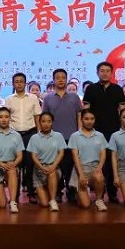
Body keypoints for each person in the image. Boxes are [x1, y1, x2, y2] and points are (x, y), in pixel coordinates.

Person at [82, 61, 125, 203]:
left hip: (114, 131)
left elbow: (122, 110)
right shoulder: (91, 89)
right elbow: (86, 110)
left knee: (112, 162)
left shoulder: (117, 89)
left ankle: (112, 192)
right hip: (95, 132)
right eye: (102, 70)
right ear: (97, 73)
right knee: (97, 161)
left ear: (111, 73)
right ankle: (99, 191)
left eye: (107, 71)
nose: (105, 73)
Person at [41, 68, 83, 204]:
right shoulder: (48, 98)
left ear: (66, 79)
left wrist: (79, 132)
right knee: (56, 166)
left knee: (70, 166)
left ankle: (71, 191)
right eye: (57, 77)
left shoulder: (74, 97)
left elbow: (79, 116)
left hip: (72, 137)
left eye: (63, 77)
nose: (60, 80)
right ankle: (57, 192)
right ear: (53, 80)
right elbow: (45, 118)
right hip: (54, 138)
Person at [5, 72, 42, 202]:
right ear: (13, 84)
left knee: (30, 164)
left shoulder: (33, 98)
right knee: (15, 165)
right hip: (14, 135)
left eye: (21, 81)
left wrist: (39, 134)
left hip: (30, 134)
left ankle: (31, 192)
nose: (19, 84)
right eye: (16, 81)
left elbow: (37, 116)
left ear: (25, 83)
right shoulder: (9, 99)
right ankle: (14, 194)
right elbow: (7, 118)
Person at [0, 107, 25, 213]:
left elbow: (20, 155)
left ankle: (13, 202)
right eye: (1, 117)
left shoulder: (16, 135)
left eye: (6, 117)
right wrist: (2, 165)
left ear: (10, 118)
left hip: (10, 166)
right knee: (2, 204)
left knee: (12, 170)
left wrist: (13, 164)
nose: (4, 119)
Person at [68, 109, 109, 211]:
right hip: (80, 169)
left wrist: (99, 168)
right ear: (81, 119)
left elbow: (103, 154)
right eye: (86, 119)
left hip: (95, 169)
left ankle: (99, 200)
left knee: (99, 177)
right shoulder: (75, 136)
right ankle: (80, 193)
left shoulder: (100, 135)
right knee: (85, 205)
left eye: (92, 119)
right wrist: (81, 174)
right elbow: (75, 156)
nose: (89, 121)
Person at [27, 112, 66, 212]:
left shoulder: (58, 136)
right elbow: (33, 156)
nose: (46, 124)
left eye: (49, 121)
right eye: (43, 121)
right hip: (39, 171)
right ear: (39, 122)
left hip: (54, 168)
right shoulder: (34, 138)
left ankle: (53, 200)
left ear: (52, 122)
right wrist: (41, 167)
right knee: (44, 204)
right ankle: (47, 191)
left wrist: (53, 166)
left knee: (52, 173)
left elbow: (61, 153)